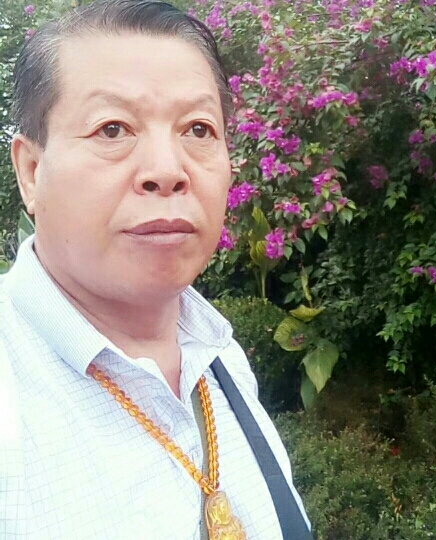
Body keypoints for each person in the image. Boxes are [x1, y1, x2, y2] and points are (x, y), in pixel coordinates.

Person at [0, 1, 310, 538]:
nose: (167, 171)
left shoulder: (220, 359)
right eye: (112, 129)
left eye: (198, 129)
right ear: (31, 171)